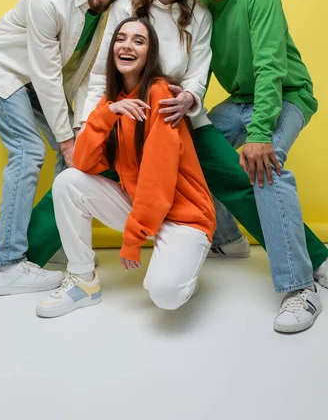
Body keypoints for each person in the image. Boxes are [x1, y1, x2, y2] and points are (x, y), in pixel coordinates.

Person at [191, 0, 328, 332]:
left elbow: (270, 67)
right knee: (196, 142)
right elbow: (199, 69)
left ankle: (301, 287)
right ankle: (227, 239)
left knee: (265, 165)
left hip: (286, 95)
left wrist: (261, 133)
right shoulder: (201, 7)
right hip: (241, 100)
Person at [0, 0, 138, 295]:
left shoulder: (110, 12)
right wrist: (66, 139)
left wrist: (79, 132)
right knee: (29, 151)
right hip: (6, 69)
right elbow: (47, 75)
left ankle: (68, 246)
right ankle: (6, 264)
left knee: (79, 152)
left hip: (41, 81)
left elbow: (82, 77)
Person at [36, 17, 216, 317]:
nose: (127, 45)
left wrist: (133, 238)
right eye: (121, 38)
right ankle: (83, 281)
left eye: (138, 40)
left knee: (165, 295)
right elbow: (82, 162)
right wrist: (107, 114)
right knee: (69, 182)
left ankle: (185, 273)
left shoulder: (160, 94)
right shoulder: (114, 102)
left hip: (184, 216)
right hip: (141, 207)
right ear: (112, 48)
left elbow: (159, 175)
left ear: (149, 54)